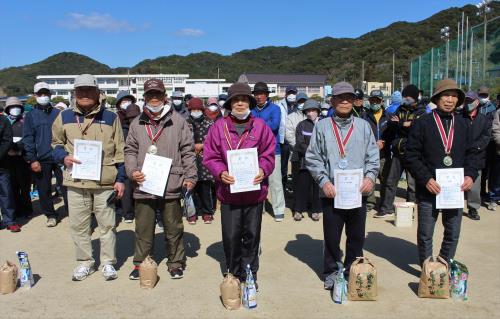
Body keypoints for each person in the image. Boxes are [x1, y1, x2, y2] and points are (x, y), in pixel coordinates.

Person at [52, 74, 126, 281]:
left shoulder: (111, 117)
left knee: (107, 225)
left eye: (89, 90)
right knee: (78, 225)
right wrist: (62, 156)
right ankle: (85, 262)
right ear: (74, 93)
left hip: (105, 181)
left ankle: (108, 263)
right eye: (80, 90)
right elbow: (55, 143)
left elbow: (120, 148)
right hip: (76, 181)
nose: (84, 94)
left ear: (97, 92)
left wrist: (121, 178)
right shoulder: (64, 116)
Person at [306, 81, 379, 287]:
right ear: (332, 101)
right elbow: (313, 157)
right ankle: (331, 271)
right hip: (332, 192)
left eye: (349, 98)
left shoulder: (364, 126)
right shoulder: (322, 126)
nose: (345, 102)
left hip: (358, 192)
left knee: (356, 236)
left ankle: (353, 269)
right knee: (331, 235)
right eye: (340, 98)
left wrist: (370, 178)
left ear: (354, 101)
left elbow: (373, 156)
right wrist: (323, 181)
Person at [203, 82, 275, 287]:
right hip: (229, 194)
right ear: (230, 103)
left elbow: (268, 154)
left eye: (244, 99)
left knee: (252, 235)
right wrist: (220, 172)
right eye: (236, 100)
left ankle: (250, 273)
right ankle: (233, 272)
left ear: (250, 102)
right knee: (231, 235)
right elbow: (210, 156)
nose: (240, 103)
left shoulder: (260, 127)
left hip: (255, 193)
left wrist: (263, 169)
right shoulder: (218, 127)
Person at [124, 78, 196, 280]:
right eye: (150, 95)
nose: (154, 98)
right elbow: (130, 150)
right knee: (143, 228)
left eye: (157, 95)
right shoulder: (137, 123)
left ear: (165, 97)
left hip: (171, 181)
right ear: (144, 97)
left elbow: (188, 151)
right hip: (144, 181)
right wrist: (132, 171)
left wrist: (190, 175)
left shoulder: (179, 121)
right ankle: (142, 263)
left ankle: (175, 262)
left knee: (173, 227)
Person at [405, 79, 477, 266]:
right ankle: (428, 272)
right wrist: (426, 178)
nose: (449, 100)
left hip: (455, 190)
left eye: (454, 96)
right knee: (425, 234)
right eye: (446, 95)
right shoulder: (423, 123)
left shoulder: (463, 124)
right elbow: (411, 154)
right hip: (430, 189)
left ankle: (444, 267)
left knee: (453, 233)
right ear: (437, 98)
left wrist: (470, 175)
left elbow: (473, 154)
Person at [23, 82, 67, 227]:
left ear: (50, 94)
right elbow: (28, 139)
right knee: (44, 189)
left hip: (60, 157)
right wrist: (32, 159)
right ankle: (51, 215)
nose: (43, 96)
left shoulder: (59, 113)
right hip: (41, 158)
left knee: (66, 186)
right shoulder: (30, 116)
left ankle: (71, 212)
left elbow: (66, 134)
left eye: (46, 93)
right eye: (40, 94)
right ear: (35, 96)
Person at [378, 84, 426, 218]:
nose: (405, 99)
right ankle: (386, 208)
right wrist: (403, 124)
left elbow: (418, 127)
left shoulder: (422, 111)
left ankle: (409, 211)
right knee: (390, 181)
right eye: (404, 96)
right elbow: (391, 124)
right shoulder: (400, 108)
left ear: (415, 97)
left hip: (413, 153)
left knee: (412, 185)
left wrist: (401, 124)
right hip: (398, 150)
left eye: (408, 96)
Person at [251, 82, 285, 221]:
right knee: (257, 181)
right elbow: (247, 124)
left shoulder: (275, 108)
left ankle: (279, 209)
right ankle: (260, 207)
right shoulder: (251, 109)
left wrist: (256, 126)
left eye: (261, 94)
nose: (259, 96)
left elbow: (275, 125)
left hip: (272, 150)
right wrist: (263, 125)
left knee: (275, 181)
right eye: (256, 94)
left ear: (266, 95)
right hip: (254, 151)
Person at [461, 91, 492, 220]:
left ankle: (473, 208)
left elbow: (486, 137)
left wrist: (476, 147)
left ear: (477, 102)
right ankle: (450, 205)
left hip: (476, 156)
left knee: (474, 185)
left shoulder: (484, 119)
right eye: (466, 101)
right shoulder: (458, 117)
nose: (468, 104)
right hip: (460, 155)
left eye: (470, 101)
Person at [362, 90, 393, 214]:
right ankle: (370, 202)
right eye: (372, 100)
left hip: (384, 154)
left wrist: (385, 142)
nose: (375, 102)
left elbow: (393, 133)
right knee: (370, 178)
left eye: (377, 100)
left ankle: (385, 202)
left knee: (385, 179)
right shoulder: (364, 116)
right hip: (369, 154)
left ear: (382, 101)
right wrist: (372, 145)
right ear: (369, 101)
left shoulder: (389, 116)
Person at [186, 97, 215, 225]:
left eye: (198, 109)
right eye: (193, 109)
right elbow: (181, 140)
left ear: (203, 110)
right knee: (190, 188)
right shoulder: (184, 123)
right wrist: (193, 146)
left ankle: (207, 212)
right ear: (189, 110)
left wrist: (203, 145)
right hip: (189, 158)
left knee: (205, 188)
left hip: (205, 159)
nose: (196, 111)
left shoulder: (209, 122)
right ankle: (191, 213)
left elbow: (214, 139)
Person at [5, 97, 33, 224]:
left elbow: (28, 138)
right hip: (8, 159)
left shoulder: (25, 121)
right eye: (11, 107)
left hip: (23, 158)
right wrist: (8, 149)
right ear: (7, 109)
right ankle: (16, 210)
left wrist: (19, 149)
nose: (14, 109)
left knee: (25, 186)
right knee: (12, 186)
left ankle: (27, 210)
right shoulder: (4, 122)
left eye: (16, 106)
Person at [293, 99, 322, 221]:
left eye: (313, 110)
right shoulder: (302, 125)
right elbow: (300, 143)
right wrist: (311, 153)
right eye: (308, 111)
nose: (310, 113)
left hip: (320, 163)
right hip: (304, 162)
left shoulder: (324, 124)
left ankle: (315, 210)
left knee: (317, 187)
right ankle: (298, 210)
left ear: (318, 111)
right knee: (302, 186)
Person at [115, 91, 141, 223]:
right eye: (123, 101)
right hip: (123, 156)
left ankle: (139, 211)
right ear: (119, 104)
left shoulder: (140, 118)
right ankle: (128, 213)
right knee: (126, 184)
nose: (127, 104)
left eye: (129, 101)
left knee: (139, 184)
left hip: (139, 157)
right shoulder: (116, 119)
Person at [285, 92, 308, 196]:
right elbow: (289, 136)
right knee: (297, 178)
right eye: (300, 101)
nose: (302, 103)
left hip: (311, 154)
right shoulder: (290, 117)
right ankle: (297, 201)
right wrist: (301, 148)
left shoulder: (313, 115)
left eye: (304, 101)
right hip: (296, 154)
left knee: (309, 179)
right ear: (296, 103)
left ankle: (309, 200)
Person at [277, 86, 298, 190]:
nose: (291, 95)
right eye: (289, 93)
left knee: (296, 163)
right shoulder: (279, 105)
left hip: (296, 139)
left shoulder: (299, 105)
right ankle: (283, 183)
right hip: (284, 139)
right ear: (285, 94)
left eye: (293, 93)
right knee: (283, 163)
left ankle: (295, 184)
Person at [0, 112, 18, 232]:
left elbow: (7, 140)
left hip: (2, 163)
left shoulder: (3, 121)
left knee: (5, 192)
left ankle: (9, 220)